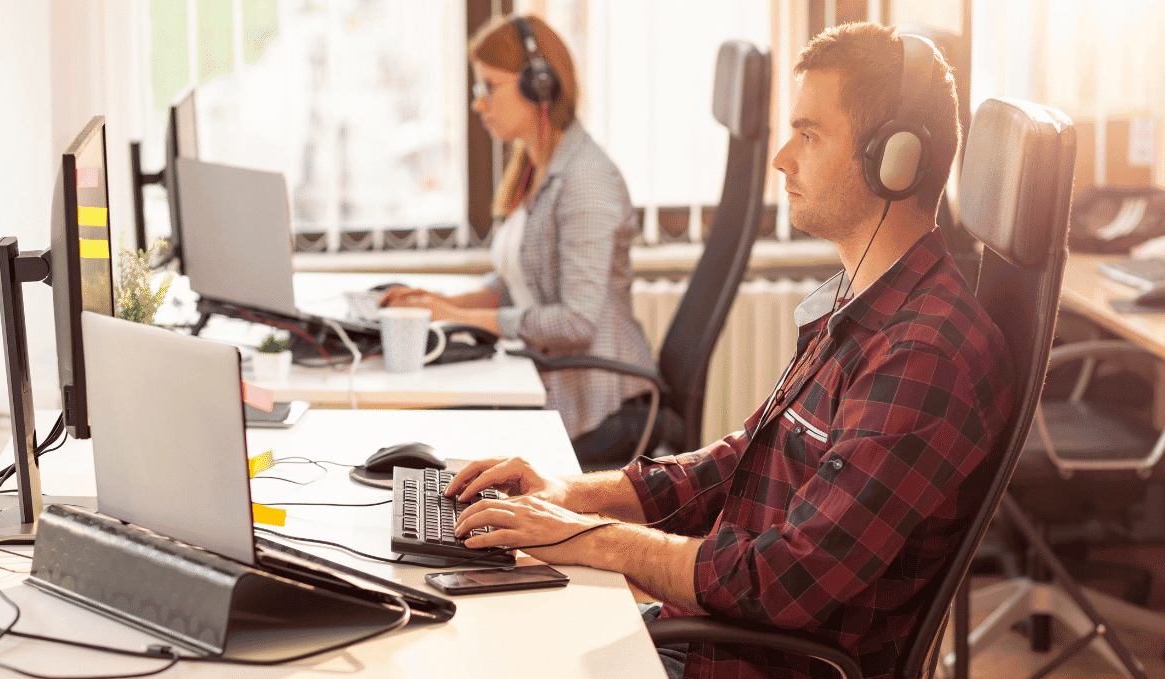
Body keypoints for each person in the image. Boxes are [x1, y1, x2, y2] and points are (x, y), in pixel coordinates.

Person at [442, 22, 1016, 679]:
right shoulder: (863, 304)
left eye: (809, 134)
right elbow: (738, 462)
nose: (781, 159)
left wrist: (590, 540)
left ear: (894, 160)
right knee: (485, 622)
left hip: (760, 663)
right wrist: (574, 495)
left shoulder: (925, 354)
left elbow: (786, 578)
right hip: (720, 641)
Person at [382, 15, 655, 463]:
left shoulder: (586, 180)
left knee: (458, 468)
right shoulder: (536, 168)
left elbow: (575, 323)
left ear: (539, 86)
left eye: (489, 86)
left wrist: (455, 316)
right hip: (556, 388)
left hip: (604, 408)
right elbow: (512, 283)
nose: (478, 103)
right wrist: (436, 302)